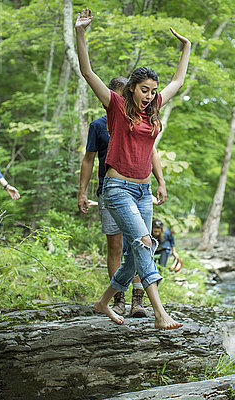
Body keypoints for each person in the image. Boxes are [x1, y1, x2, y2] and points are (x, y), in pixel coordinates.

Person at [75, 7, 191, 329]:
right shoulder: (115, 105)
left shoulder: (152, 110)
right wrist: (81, 33)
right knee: (144, 242)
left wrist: (187, 48)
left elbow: (178, 81)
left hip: (143, 190)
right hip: (117, 188)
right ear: (131, 89)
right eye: (144, 90)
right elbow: (88, 73)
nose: (150, 96)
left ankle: (102, 303)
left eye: (154, 91)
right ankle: (159, 312)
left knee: (133, 254)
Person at [78, 76, 167, 318]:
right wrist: (82, 191)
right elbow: (88, 160)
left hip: (139, 190)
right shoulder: (99, 126)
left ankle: (137, 300)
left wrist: (161, 180)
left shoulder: (141, 119)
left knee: (138, 245)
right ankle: (118, 300)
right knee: (117, 246)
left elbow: (151, 151)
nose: (123, 102)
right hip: (113, 190)